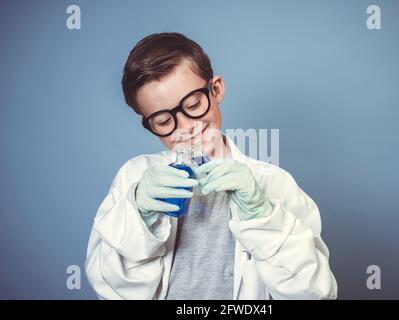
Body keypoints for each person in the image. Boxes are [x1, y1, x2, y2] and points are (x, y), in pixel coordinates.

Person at [85, 32, 338, 300]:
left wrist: (262, 216)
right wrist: (138, 216)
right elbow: (108, 288)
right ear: (149, 125)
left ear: (215, 90)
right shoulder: (134, 178)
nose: (186, 128)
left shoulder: (273, 182)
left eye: (193, 104)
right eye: (163, 120)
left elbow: (315, 293)